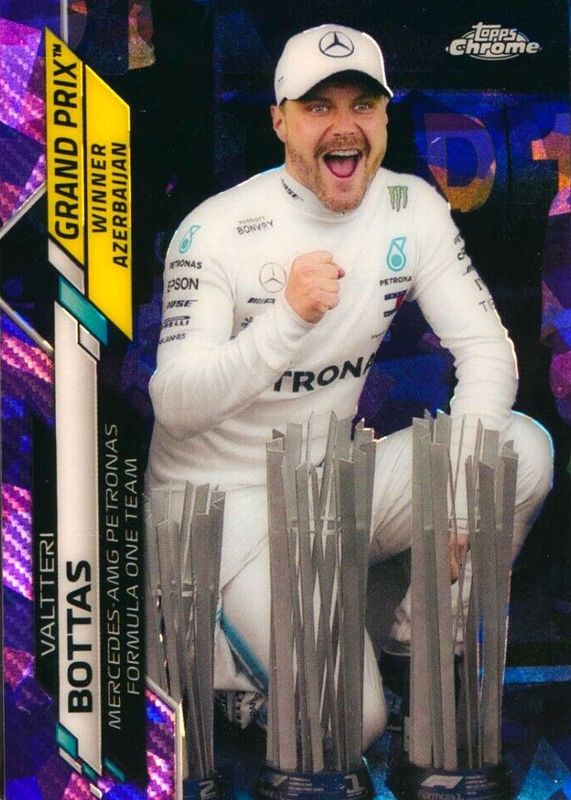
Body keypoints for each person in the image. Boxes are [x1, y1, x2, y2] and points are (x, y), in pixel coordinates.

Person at [146, 24, 553, 747]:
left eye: (362, 105)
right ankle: (207, 662)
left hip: (328, 488)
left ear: (385, 116)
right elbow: (175, 405)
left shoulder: (410, 208)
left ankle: (414, 649)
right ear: (280, 121)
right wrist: (285, 321)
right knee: (351, 728)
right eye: (317, 107)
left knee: (518, 452)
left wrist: (462, 496)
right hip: (220, 514)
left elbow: (487, 350)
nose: (344, 126)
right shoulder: (214, 231)